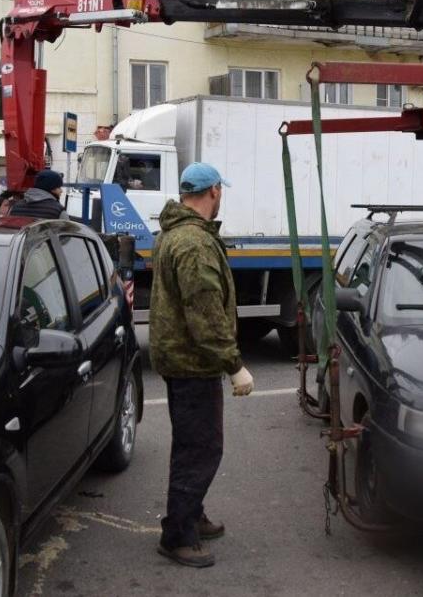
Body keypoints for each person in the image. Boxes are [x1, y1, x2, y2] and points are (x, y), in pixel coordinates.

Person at [149, 162, 254, 568]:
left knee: (191, 445)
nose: (221, 195)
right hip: (193, 362)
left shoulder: (174, 233)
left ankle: (191, 514)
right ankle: (177, 535)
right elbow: (205, 312)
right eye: (219, 190)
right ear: (213, 191)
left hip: (181, 358)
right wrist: (234, 365)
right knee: (201, 449)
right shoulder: (193, 243)